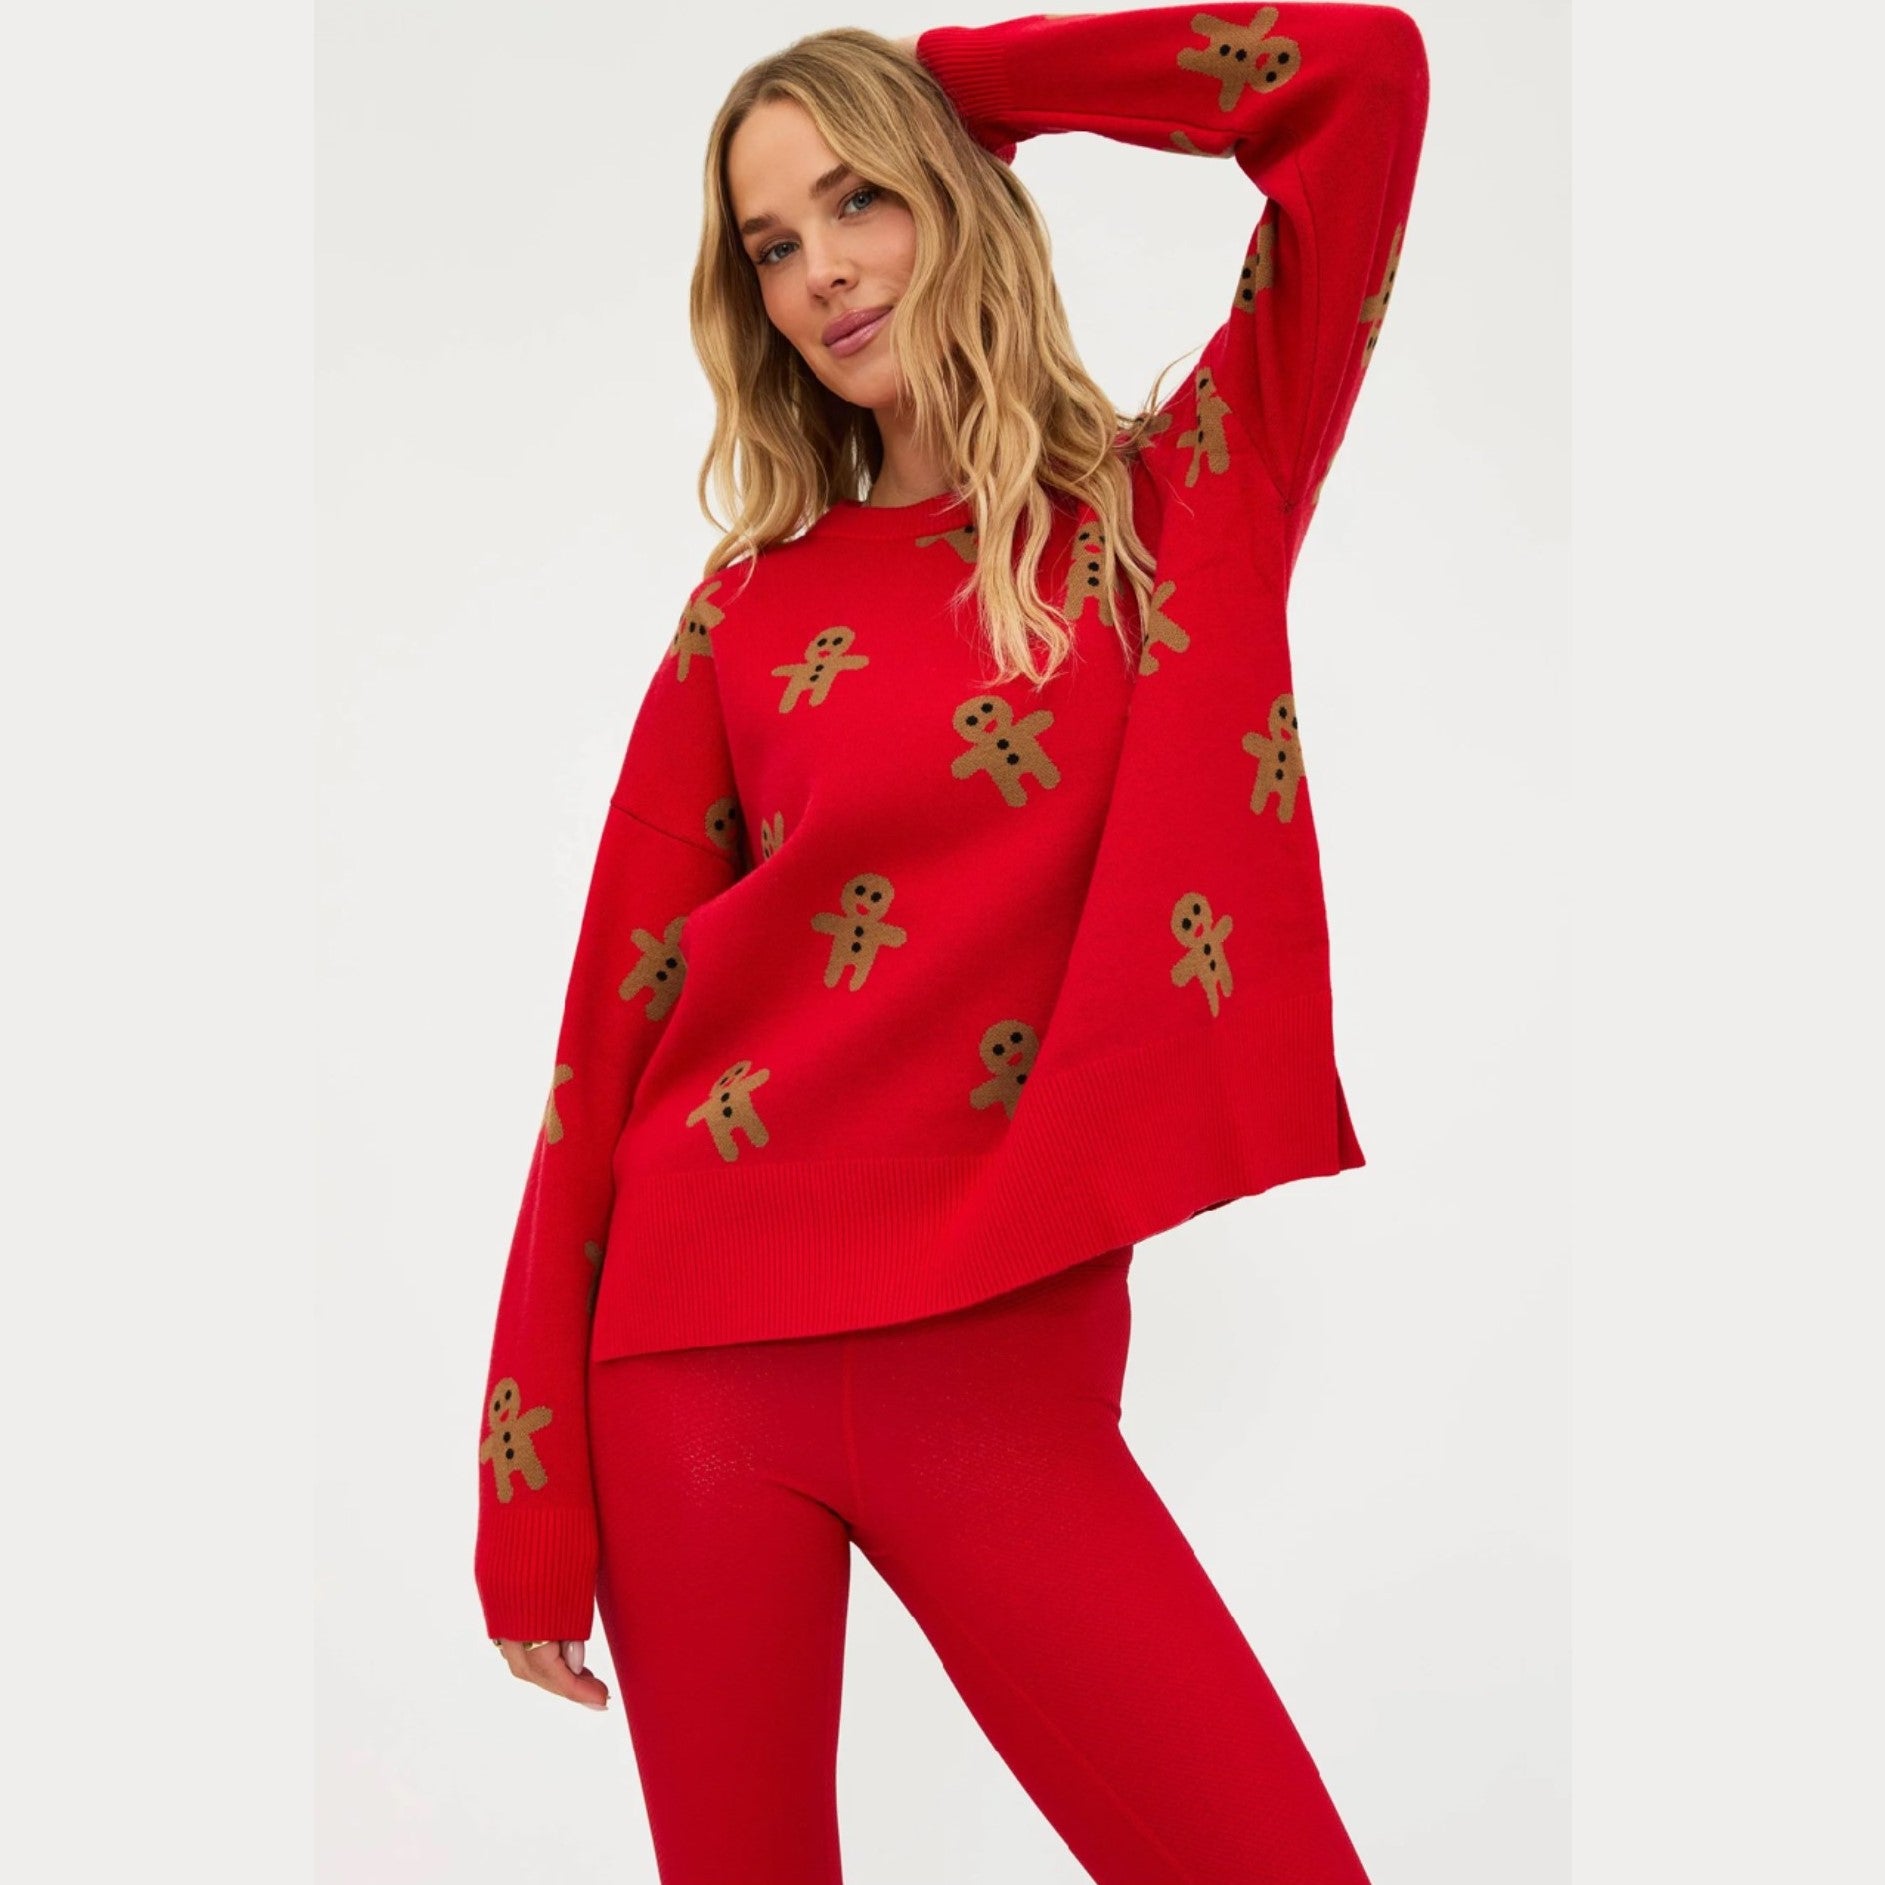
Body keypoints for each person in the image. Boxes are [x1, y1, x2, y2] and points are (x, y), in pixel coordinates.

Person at [474, 7, 1429, 1879]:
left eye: (860, 198)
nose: (821, 269)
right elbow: (603, 1042)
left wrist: (971, 83)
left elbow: (1362, 81)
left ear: (950, 192)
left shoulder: (1183, 499)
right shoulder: (749, 613)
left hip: (1000, 1364)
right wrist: (526, 1486)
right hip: (693, 1360)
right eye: (772, 243)